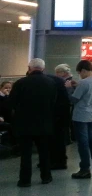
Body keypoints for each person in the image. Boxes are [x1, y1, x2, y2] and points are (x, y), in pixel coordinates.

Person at [10, 58, 57, 187]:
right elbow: (54, 102)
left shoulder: (21, 83)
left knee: (26, 154)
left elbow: (12, 102)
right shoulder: (51, 83)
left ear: (29, 68)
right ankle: (46, 176)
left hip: (24, 124)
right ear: (43, 68)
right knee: (44, 152)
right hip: (44, 123)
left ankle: (25, 180)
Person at [69, 60, 92, 179]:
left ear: (83, 70)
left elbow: (74, 99)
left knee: (83, 143)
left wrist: (69, 88)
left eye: (80, 73)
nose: (80, 75)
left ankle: (84, 169)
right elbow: (88, 91)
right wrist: (77, 85)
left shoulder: (84, 83)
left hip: (81, 116)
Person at [48, 68, 71, 170]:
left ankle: (56, 161)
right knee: (60, 140)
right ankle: (60, 160)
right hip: (62, 117)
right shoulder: (61, 85)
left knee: (55, 140)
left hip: (55, 117)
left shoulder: (59, 85)